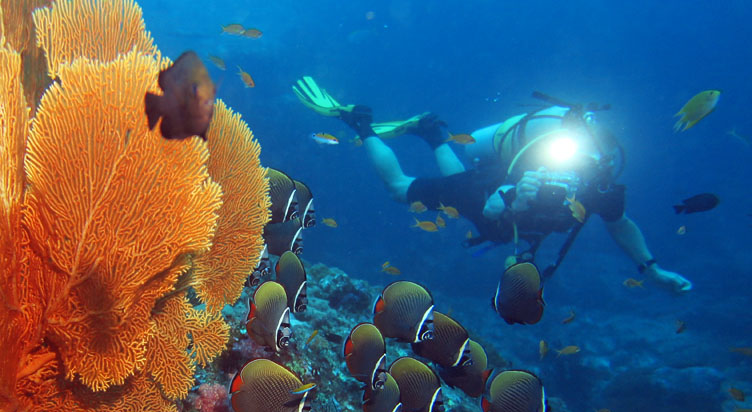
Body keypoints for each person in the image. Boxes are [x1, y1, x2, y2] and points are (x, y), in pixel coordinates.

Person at [293, 77, 692, 293]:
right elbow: (491, 206)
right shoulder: (549, 176)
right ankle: (360, 123)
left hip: (486, 201)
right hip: (488, 195)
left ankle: (433, 132)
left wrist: (651, 268)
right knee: (400, 189)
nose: (571, 179)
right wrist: (513, 198)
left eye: (585, 169)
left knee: (458, 182)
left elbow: (620, 224)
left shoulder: (599, 188)